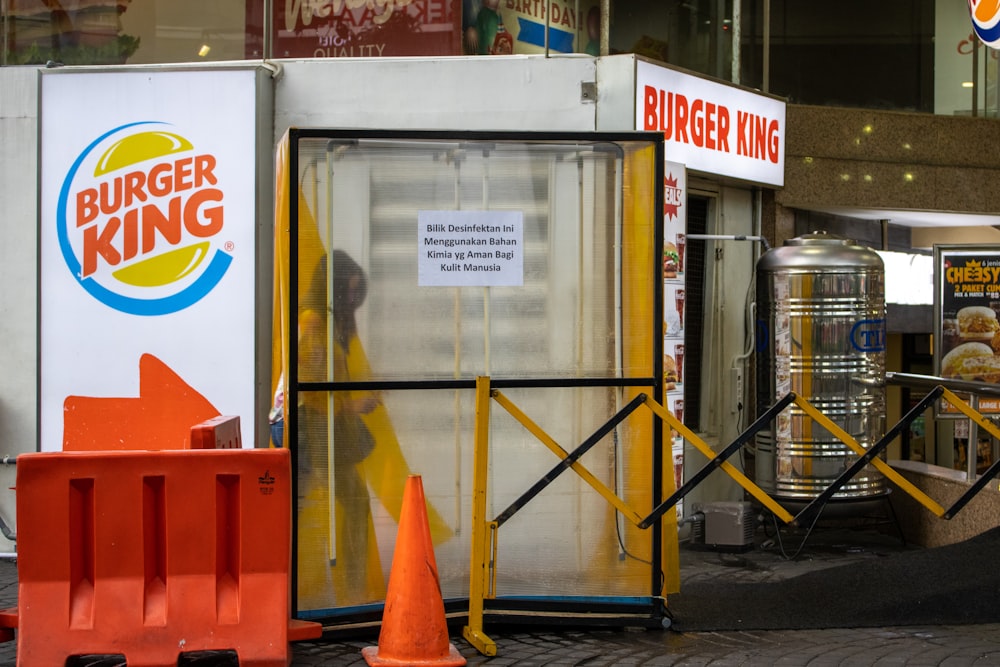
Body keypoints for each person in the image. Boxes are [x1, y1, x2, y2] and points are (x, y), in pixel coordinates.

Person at [297, 251, 385, 608]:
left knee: (334, 503)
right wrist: (356, 405)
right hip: (316, 433)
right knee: (338, 503)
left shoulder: (327, 320)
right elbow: (309, 388)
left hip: (330, 431)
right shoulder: (314, 322)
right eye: (347, 294)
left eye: (355, 294)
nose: (352, 301)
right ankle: (350, 589)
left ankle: (349, 587)